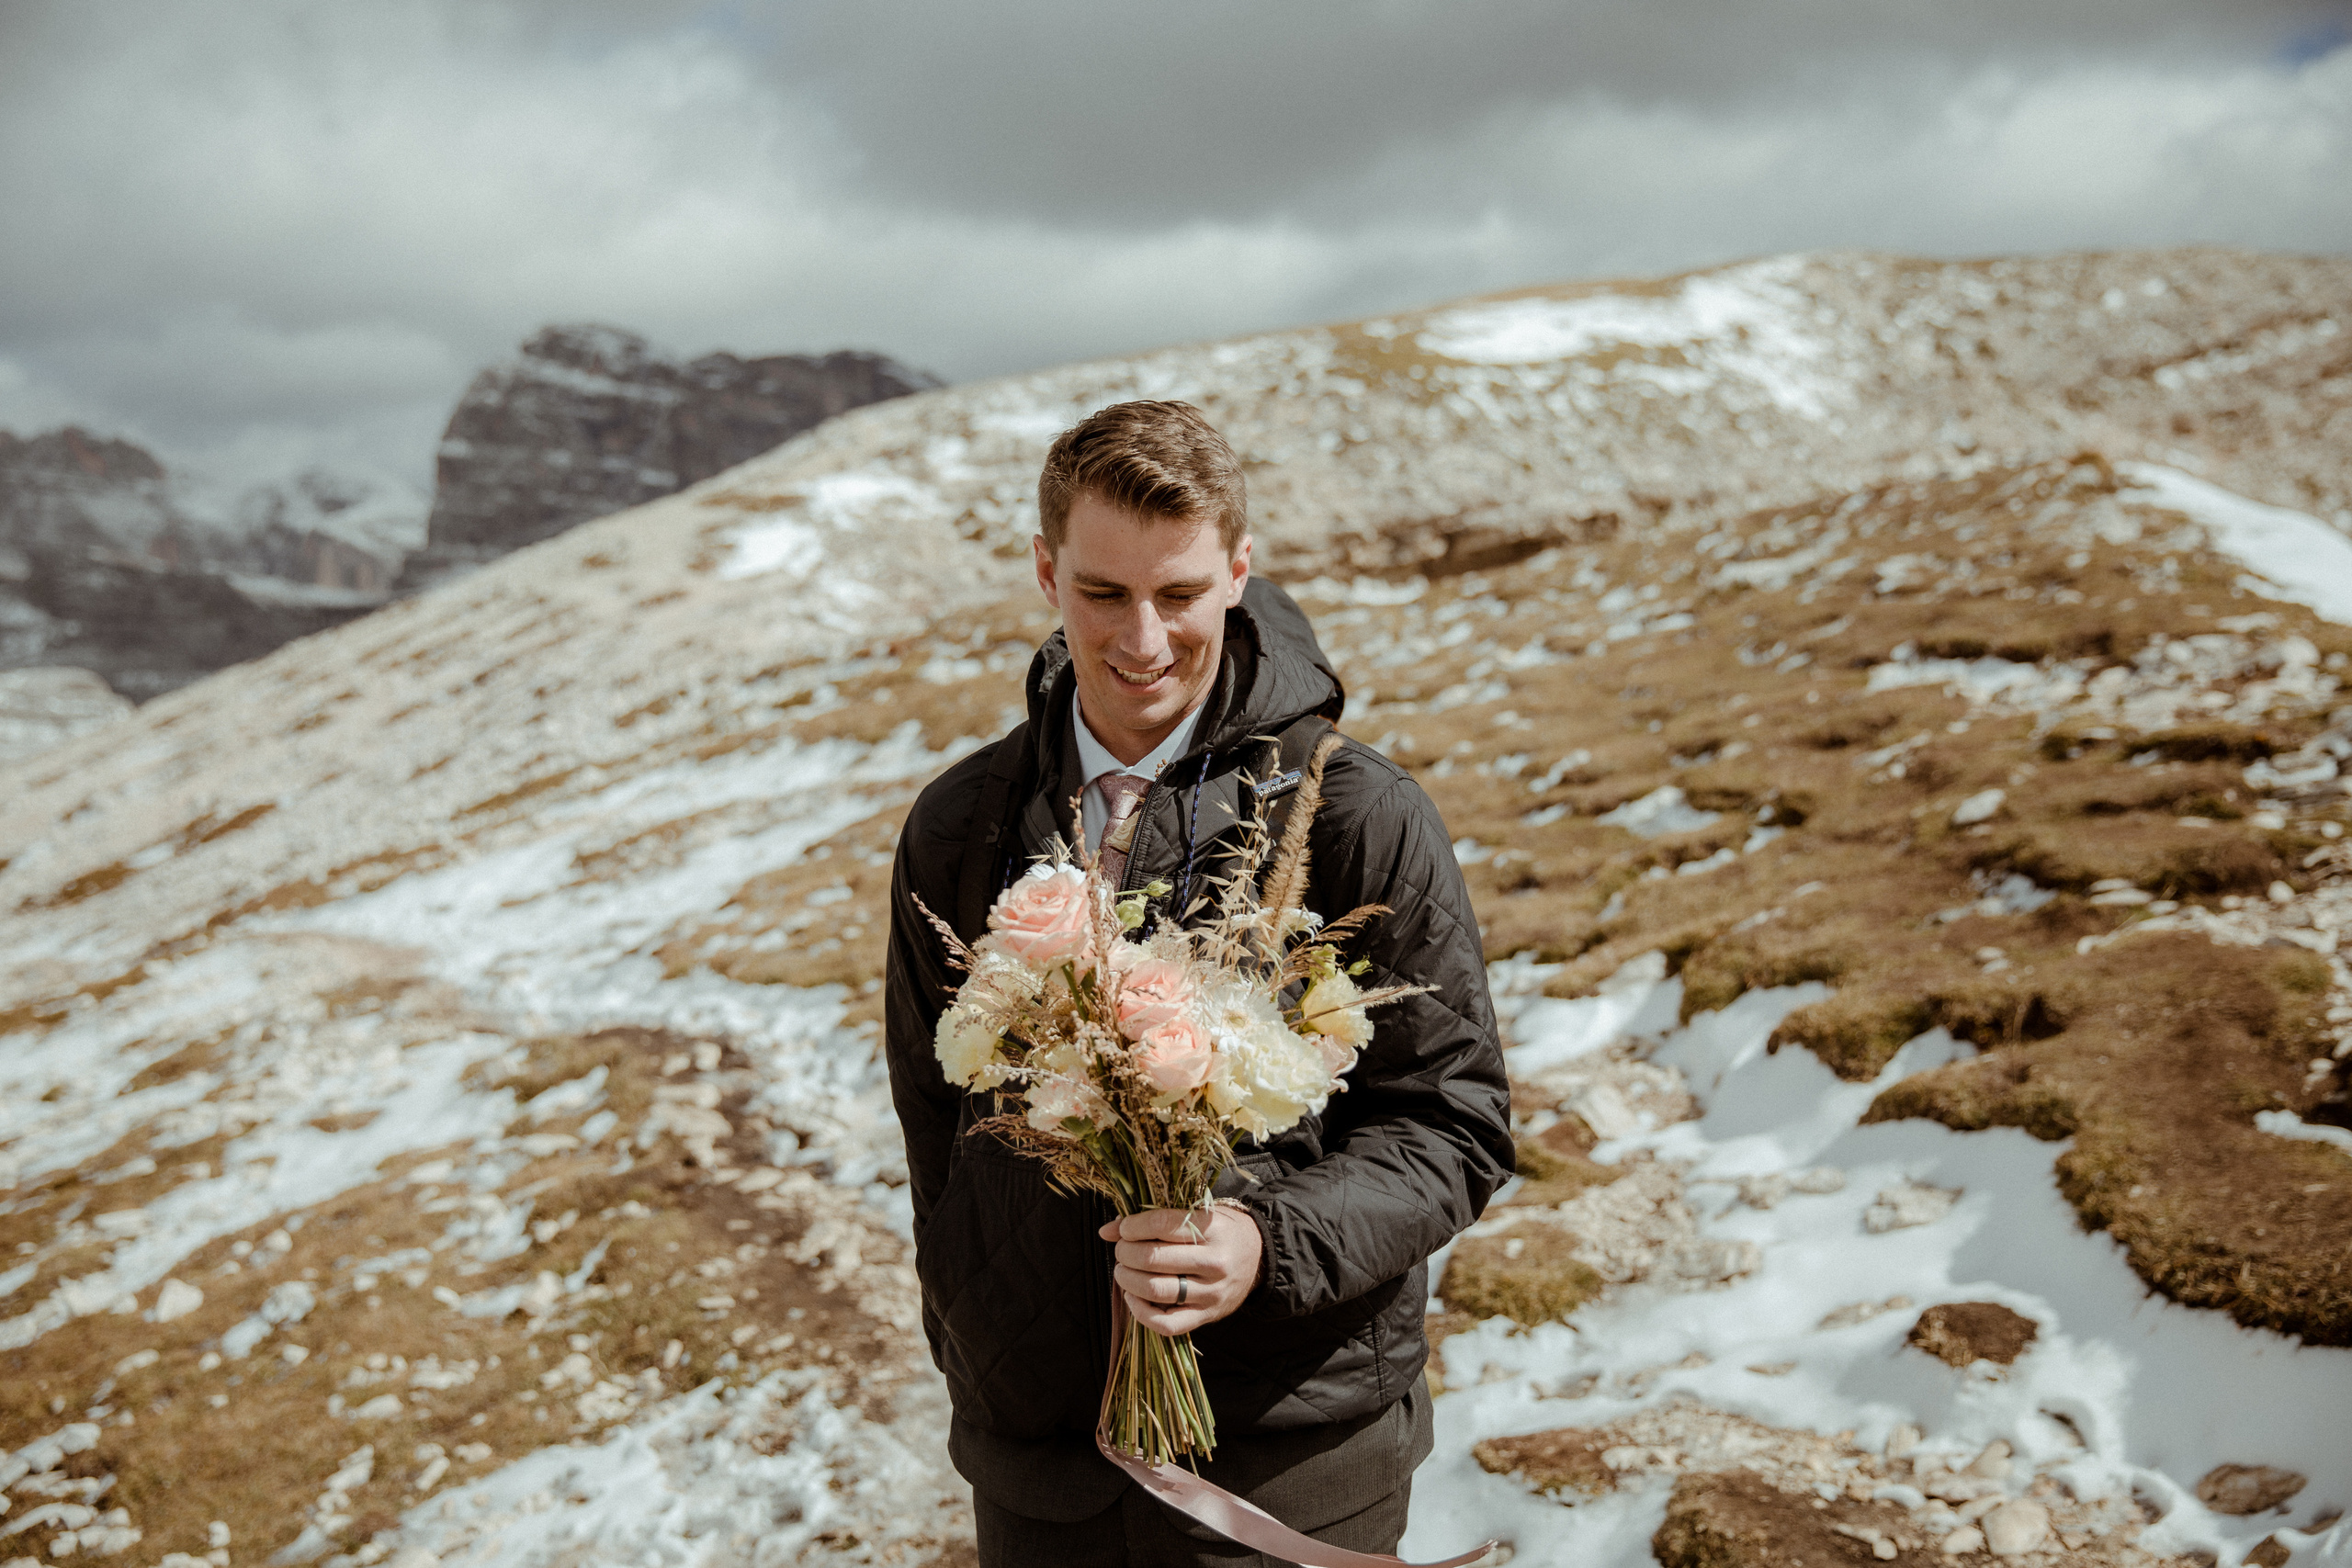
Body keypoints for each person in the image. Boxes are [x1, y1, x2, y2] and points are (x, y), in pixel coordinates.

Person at [884, 400, 1512, 1566]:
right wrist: (978, 1337)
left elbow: (1453, 1124)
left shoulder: (1359, 814)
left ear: (1237, 568)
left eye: (1178, 595)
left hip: (1291, 1458)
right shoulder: (958, 827)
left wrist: (1267, 1244)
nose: (1143, 639)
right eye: (1102, 594)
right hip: (1037, 1464)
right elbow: (937, 1119)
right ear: (1043, 572)